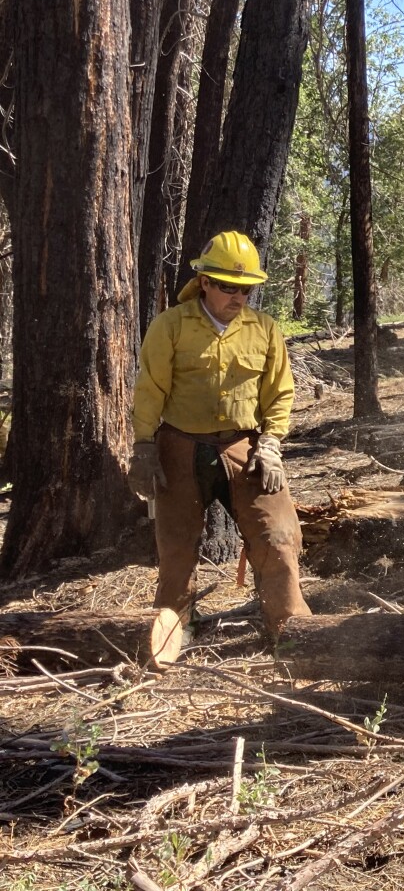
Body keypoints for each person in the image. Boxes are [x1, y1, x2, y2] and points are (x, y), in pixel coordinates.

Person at [129, 231, 312, 660]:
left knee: (278, 537)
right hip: (180, 444)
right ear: (205, 282)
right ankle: (173, 633)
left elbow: (279, 393)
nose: (238, 297)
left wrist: (271, 443)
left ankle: (291, 632)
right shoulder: (171, 326)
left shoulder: (263, 330)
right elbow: (150, 389)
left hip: (244, 446)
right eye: (229, 287)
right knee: (176, 548)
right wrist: (144, 447)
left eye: (246, 289)